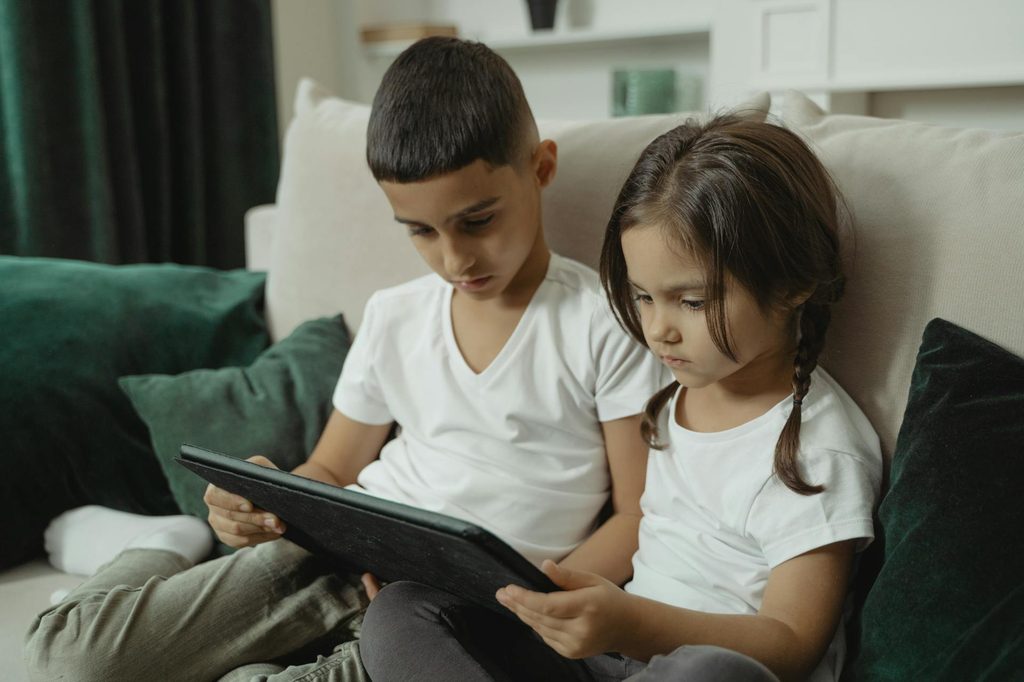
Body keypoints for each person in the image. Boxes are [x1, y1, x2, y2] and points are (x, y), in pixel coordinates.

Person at [24, 37, 663, 682]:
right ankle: (161, 544)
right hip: (330, 561)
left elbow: (638, 514)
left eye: (478, 220)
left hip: (459, 615)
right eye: (420, 231)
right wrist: (268, 504)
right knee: (66, 662)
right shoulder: (394, 315)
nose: (454, 259)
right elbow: (331, 466)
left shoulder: (603, 322)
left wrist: (537, 606)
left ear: (541, 168)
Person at [359, 115, 884, 682]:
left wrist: (631, 621)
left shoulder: (820, 449)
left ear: (791, 281)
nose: (659, 330)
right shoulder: (676, 390)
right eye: (642, 297)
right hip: (613, 658)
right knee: (406, 609)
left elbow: (792, 642)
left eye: (690, 301)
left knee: (711, 673)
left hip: (697, 668)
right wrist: (547, 602)